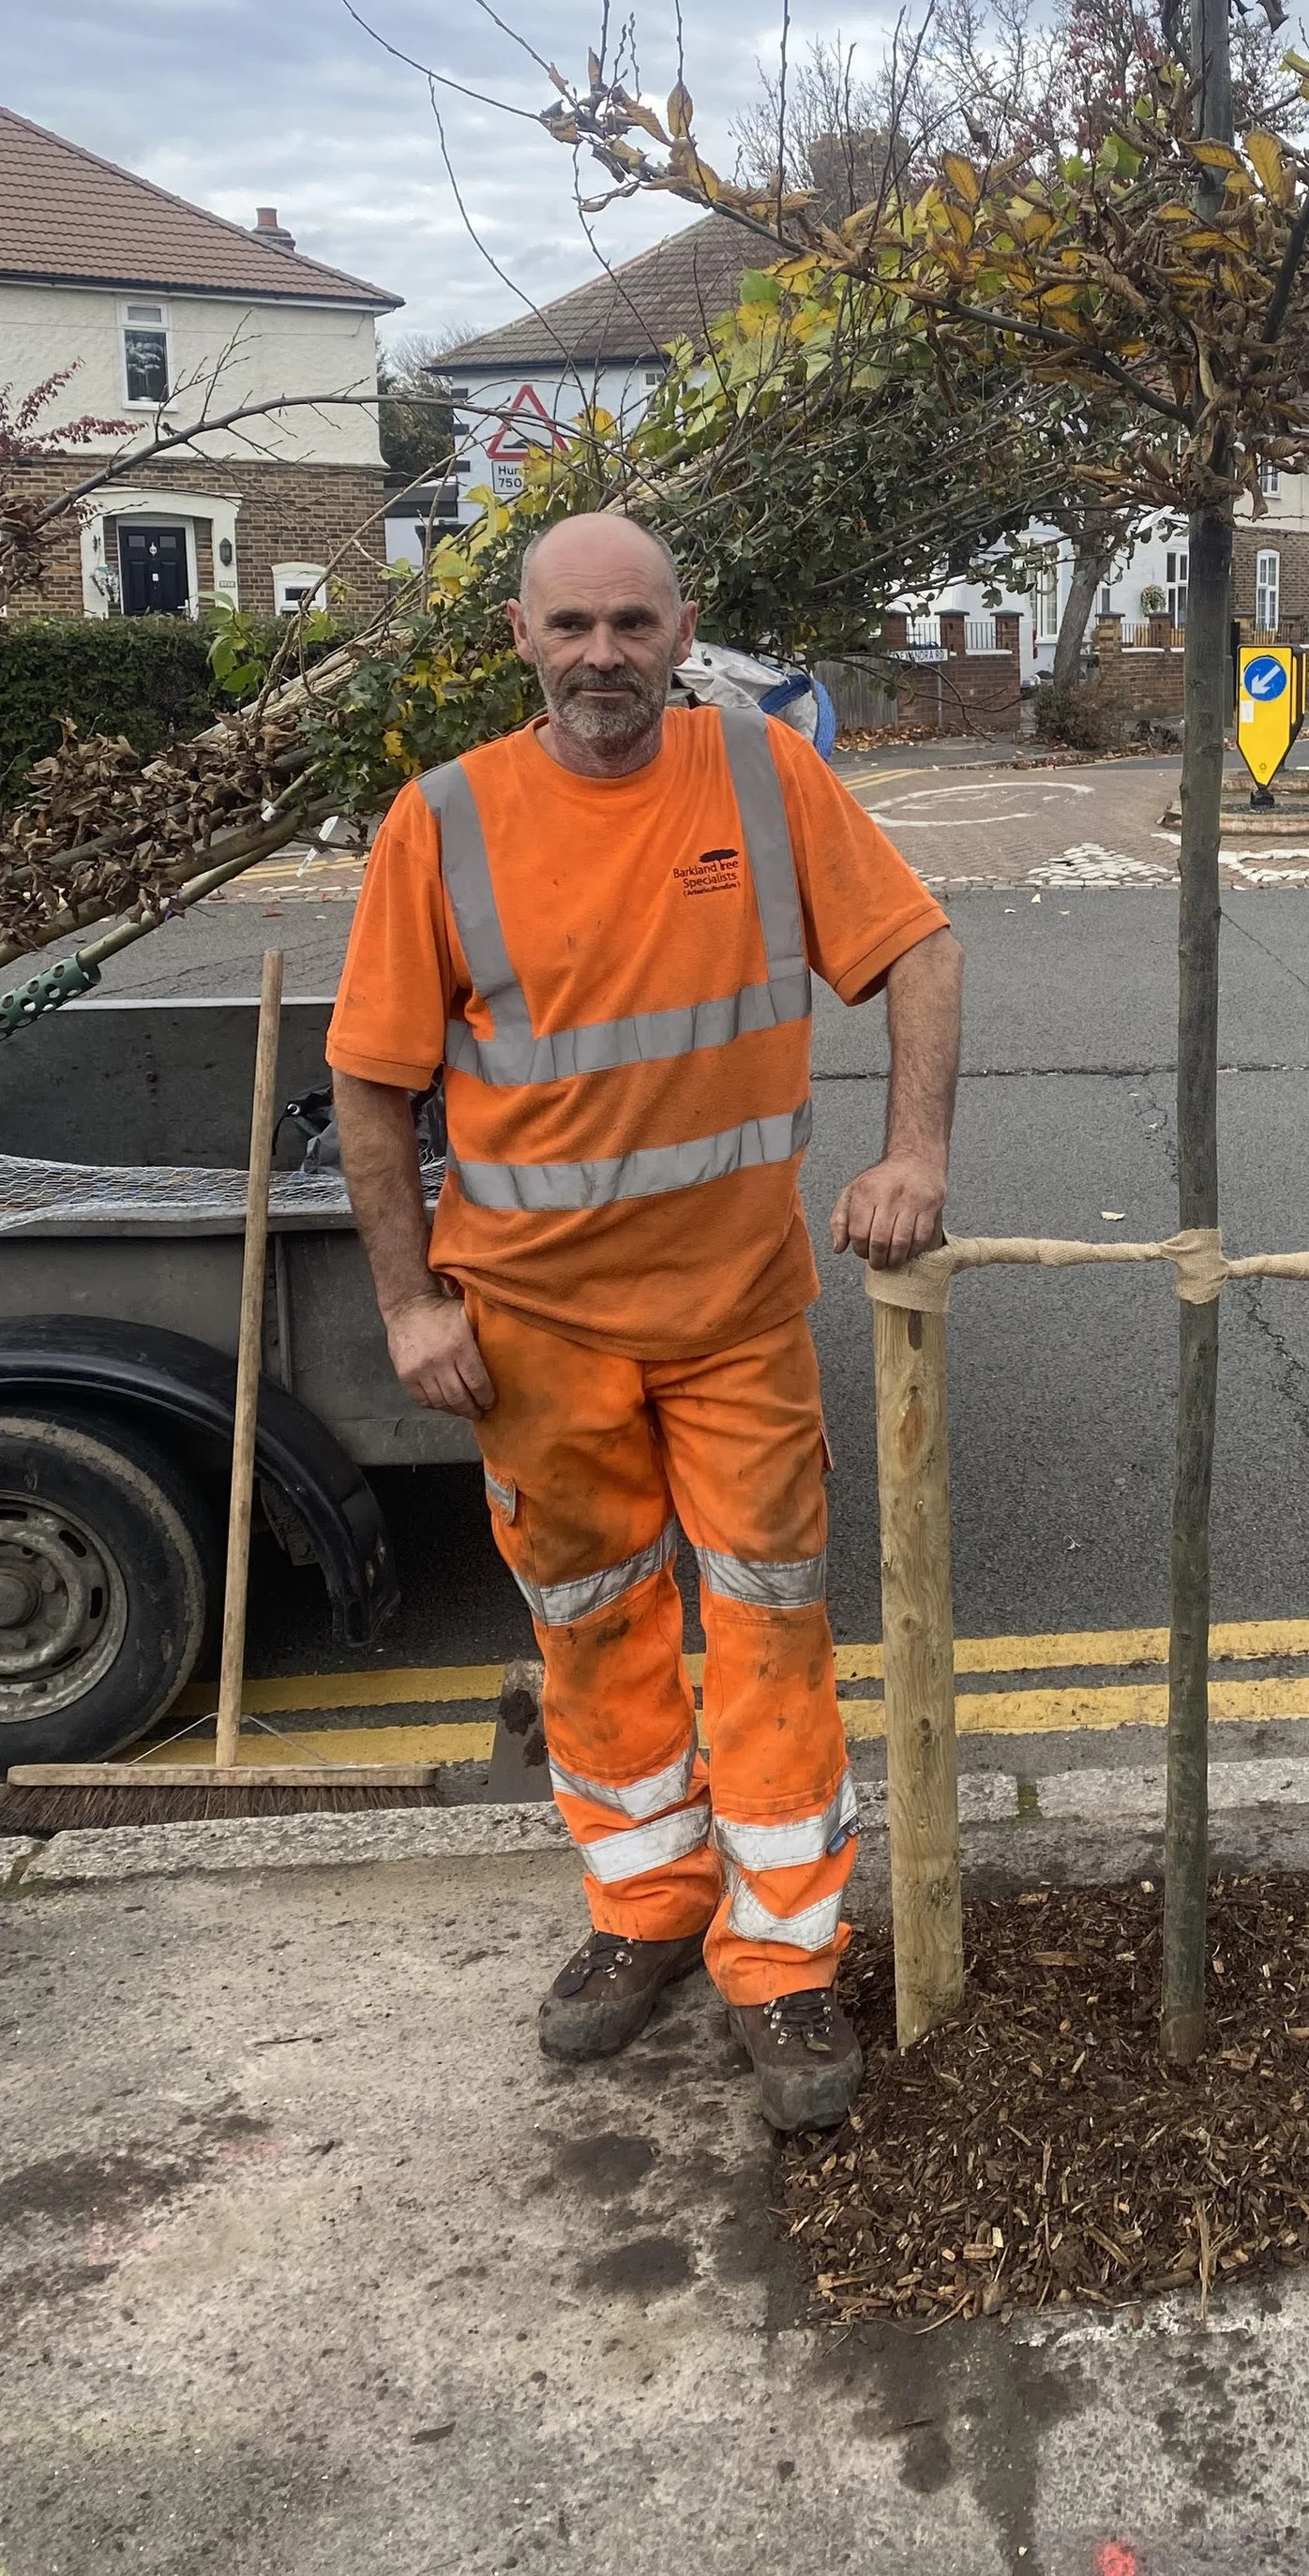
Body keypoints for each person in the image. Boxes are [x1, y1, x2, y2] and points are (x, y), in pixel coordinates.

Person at [328, 512, 961, 2134]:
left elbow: (917, 950)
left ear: (686, 628)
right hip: (531, 1331)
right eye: (570, 627)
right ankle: (642, 1914)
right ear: (522, 638)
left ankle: (784, 1956)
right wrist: (407, 1301)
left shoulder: (763, 776)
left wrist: (915, 1155)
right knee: (593, 1624)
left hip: (739, 1316)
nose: (601, 655)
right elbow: (373, 1081)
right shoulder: (444, 821)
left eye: (632, 623)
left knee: (767, 1623)